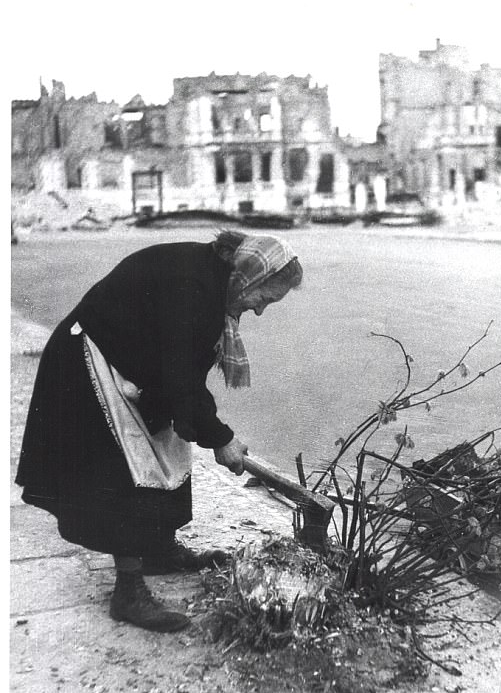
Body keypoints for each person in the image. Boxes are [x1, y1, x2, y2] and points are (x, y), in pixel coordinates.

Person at [16, 230, 303, 633]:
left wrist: (206, 427)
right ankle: (128, 592)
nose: (258, 311)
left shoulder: (215, 279)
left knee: (167, 445)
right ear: (250, 278)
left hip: (135, 360)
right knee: (127, 466)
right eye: (265, 298)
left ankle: (158, 550)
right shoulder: (193, 287)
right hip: (91, 356)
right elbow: (180, 378)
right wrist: (220, 438)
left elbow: (183, 376)